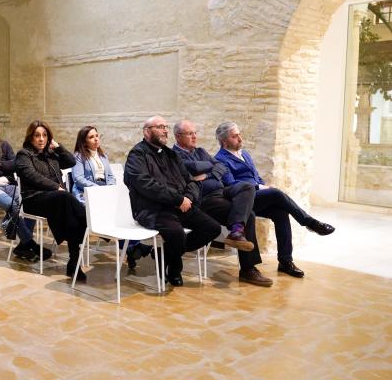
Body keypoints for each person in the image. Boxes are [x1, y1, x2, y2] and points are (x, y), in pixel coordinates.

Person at [214, 121, 335, 278]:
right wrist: (260, 188)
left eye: (239, 134)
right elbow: (231, 184)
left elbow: (256, 176)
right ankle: (310, 223)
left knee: (281, 213)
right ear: (224, 141)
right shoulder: (220, 159)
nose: (239, 138)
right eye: (234, 136)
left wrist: (262, 185)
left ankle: (285, 262)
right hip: (242, 200)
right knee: (276, 193)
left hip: (257, 196)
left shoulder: (245, 154)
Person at [124, 116, 221, 287]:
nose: (165, 130)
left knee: (212, 228)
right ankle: (174, 269)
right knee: (177, 234)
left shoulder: (171, 155)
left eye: (166, 127)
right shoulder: (137, 154)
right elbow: (146, 185)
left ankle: (165, 253)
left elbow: (190, 181)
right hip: (152, 209)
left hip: (180, 206)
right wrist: (177, 199)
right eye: (160, 127)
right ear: (147, 132)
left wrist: (188, 198)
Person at [173, 120, 272, 286]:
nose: (195, 136)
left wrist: (207, 173)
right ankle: (248, 269)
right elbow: (193, 169)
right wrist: (207, 167)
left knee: (247, 187)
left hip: (221, 191)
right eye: (190, 134)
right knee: (250, 215)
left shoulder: (200, 151)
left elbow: (220, 166)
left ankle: (236, 232)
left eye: (195, 132)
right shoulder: (174, 155)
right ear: (178, 136)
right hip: (202, 198)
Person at [14, 120, 88, 281]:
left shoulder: (51, 154)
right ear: (30, 137)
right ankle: (89, 220)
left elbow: (71, 161)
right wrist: (56, 187)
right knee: (66, 199)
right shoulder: (24, 155)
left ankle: (74, 262)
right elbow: (32, 177)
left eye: (45, 135)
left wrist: (58, 146)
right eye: (37, 135)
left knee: (71, 217)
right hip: (33, 200)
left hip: (57, 200)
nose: (41, 139)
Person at [0, 113, 50, 262]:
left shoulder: (4, 144)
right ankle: (29, 242)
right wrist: (3, 167)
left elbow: (15, 164)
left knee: (30, 198)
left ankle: (22, 245)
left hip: (8, 184)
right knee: (11, 204)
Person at [71, 125, 152, 269]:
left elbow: (110, 176)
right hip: (87, 193)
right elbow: (78, 178)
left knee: (122, 210)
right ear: (84, 142)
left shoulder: (102, 156)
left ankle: (132, 247)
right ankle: (133, 247)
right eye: (91, 137)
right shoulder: (78, 156)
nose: (96, 139)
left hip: (104, 191)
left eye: (97, 136)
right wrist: (98, 190)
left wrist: (111, 189)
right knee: (107, 216)